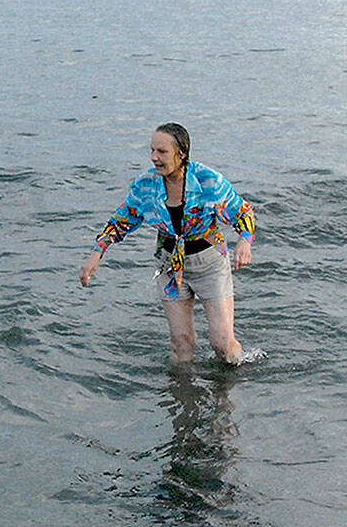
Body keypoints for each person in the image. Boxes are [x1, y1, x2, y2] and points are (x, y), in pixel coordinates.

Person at [79, 123, 256, 366]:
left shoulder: (208, 181)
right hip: (170, 266)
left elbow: (243, 212)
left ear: (181, 153)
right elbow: (120, 221)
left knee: (223, 344)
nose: (154, 157)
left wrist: (244, 242)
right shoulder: (146, 186)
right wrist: (95, 255)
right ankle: (182, 398)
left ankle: (230, 395)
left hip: (210, 264)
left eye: (162, 152)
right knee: (181, 344)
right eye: (152, 150)